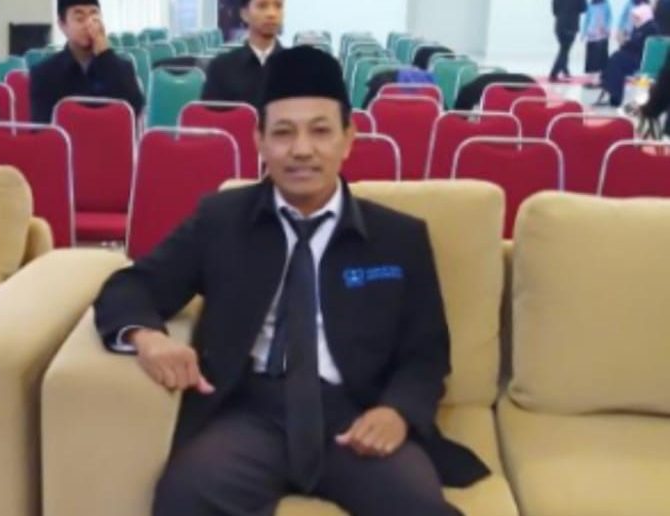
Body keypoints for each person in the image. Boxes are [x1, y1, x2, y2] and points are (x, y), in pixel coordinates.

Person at [94, 46, 489, 516]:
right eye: (283, 132)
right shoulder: (221, 220)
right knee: (183, 498)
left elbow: (426, 353)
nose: (302, 149)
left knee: (419, 508)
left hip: (356, 414)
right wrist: (147, 337)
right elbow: (131, 286)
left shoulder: (398, 237)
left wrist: (397, 412)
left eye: (320, 131)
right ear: (259, 141)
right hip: (250, 413)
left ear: (348, 138)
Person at [29, 0, 144, 123]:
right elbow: (43, 128)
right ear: (62, 25)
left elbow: (135, 110)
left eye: (94, 17)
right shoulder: (44, 74)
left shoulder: (123, 68)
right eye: (80, 19)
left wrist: (105, 55)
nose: (89, 25)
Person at [202, 0, 284, 105]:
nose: (272, 14)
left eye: (278, 6)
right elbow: (209, 114)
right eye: (262, 6)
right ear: (244, 14)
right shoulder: (220, 68)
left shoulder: (297, 67)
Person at [600, 3, 659, 106]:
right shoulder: (640, 27)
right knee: (615, 59)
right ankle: (612, 92)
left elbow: (640, 45)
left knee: (616, 61)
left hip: (640, 59)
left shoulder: (650, 28)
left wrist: (625, 42)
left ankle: (613, 93)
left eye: (637, 17)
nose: (634, 20)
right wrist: (625, 42)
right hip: (633, 56)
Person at [550, 0, 588, 82]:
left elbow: (554, 12)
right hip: (571, 26)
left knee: (564, 49)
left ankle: (565, 70)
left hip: (559, 26)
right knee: (564, 50)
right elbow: (584, 8)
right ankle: (554, 73)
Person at [582, 0, 612, 88]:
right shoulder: (590, 5)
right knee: (592, 58)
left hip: (602, 35)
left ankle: (598, 80)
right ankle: (593, 80)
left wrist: (607, 28)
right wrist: (584, 33)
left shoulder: (606, 4)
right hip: (591, 35)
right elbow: (587, 19)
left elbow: (609, 17)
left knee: (600, 58)